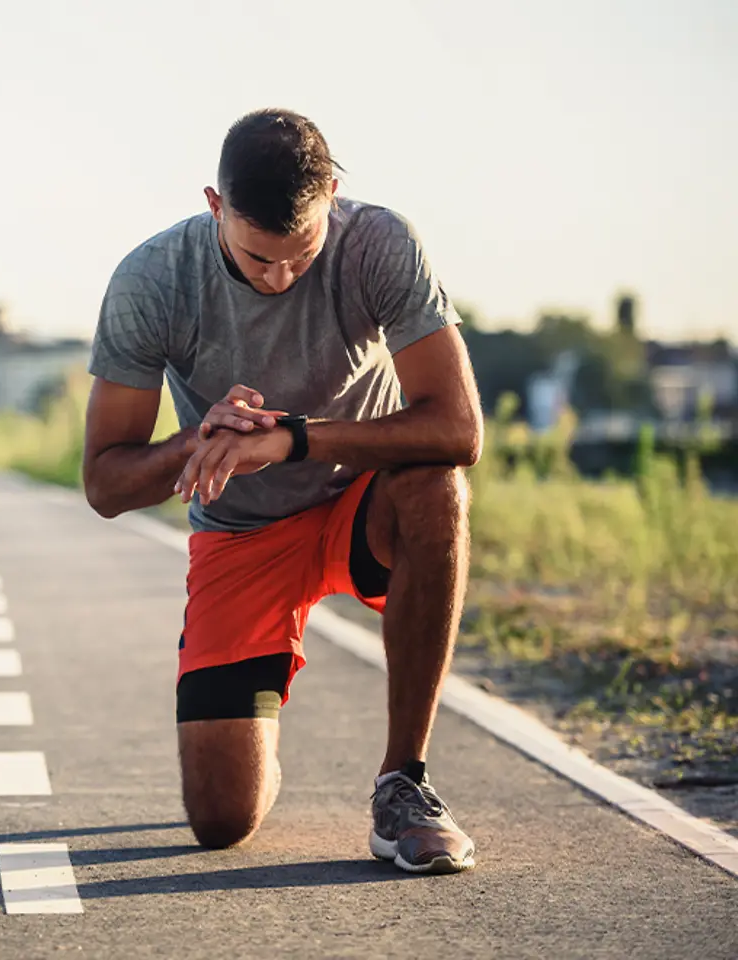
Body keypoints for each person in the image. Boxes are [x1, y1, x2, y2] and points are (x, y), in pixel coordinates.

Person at [82, 108, 483, 874]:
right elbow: (105, 483)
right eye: (256, 257)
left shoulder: (379, 243)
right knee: (221, 821)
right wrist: (196, 442)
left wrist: (292, 437)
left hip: (360, 507)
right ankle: (256, 703)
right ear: (214, 207)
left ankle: (405, 781)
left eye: (299, 255)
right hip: (242, 533)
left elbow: (459, 429)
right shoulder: (152, 279)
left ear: (332, 194)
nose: (279, 278)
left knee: (436, 487)